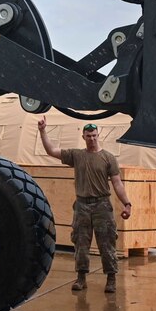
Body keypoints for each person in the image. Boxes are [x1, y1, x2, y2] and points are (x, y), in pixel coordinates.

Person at [37, 117, 132, 293]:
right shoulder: (77, 155)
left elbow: (117, 183)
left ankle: (111, 279)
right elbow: (51, 151)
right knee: (81, 243)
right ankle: (81, 278)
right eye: (88, 136)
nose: (92, 139)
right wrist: (43, 131)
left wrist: (126, 203)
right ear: (83, 137)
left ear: (98, 135)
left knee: (107, 243)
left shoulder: (108, 158)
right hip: (82, 205)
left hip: (102, 205)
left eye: (94, 135)